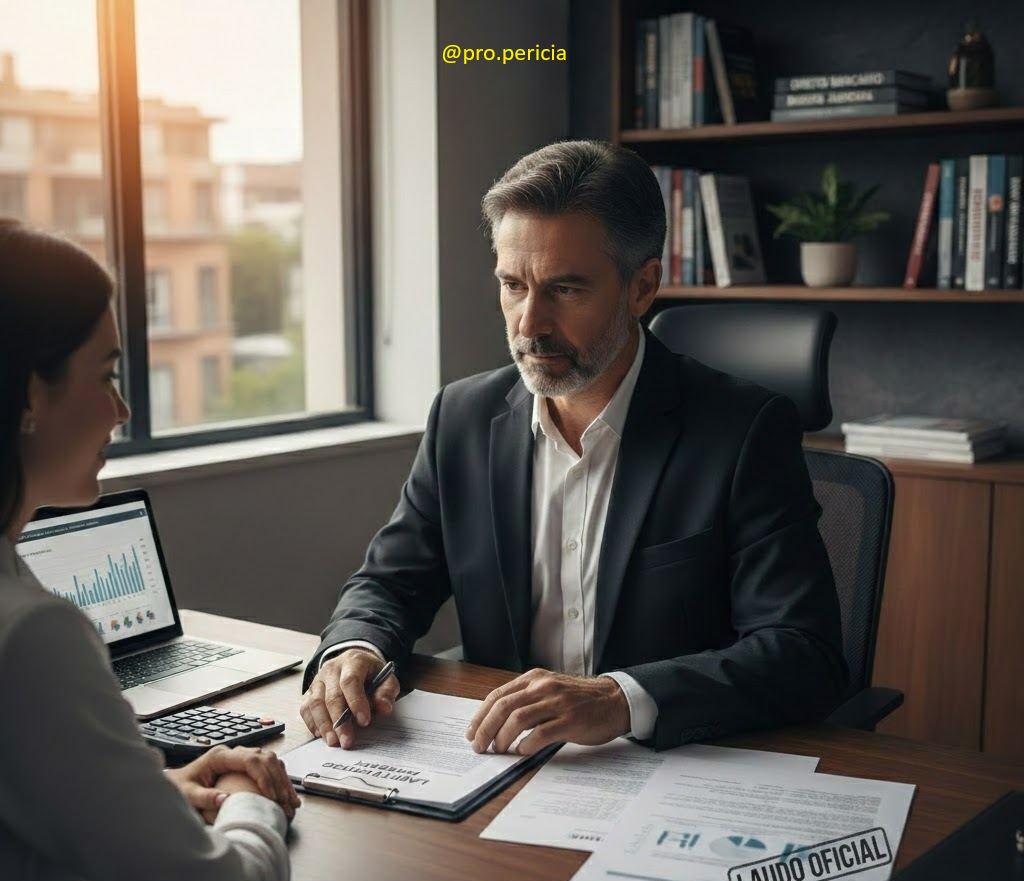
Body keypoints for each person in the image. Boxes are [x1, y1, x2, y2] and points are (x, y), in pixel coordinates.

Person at [299, 140, 847, 756]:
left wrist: (619, 699)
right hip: (501, 764)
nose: (529, 324)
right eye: (512, 285)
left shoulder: (742, 430)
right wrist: (356, 649)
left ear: (642, 287)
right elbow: (390, 584)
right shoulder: (463, 416)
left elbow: (805, 654)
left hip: (672, 765)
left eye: (564, 289)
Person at [0, 219, 301, 881]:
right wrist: (249, 796)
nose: (122, 409)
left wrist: (157, 793)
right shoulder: (30, 636)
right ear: (30, 393)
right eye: (104, 375)